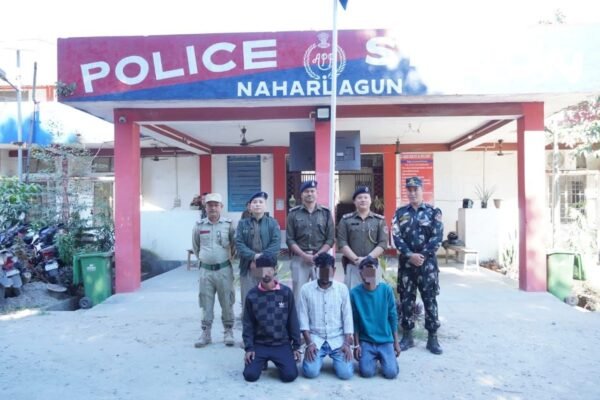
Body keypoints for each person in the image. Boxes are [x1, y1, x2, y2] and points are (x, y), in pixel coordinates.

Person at [391, 177, 444, 355]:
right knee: (406, 299)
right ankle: (408, 336)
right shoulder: (400, 213)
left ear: (422, 190)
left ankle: (432, 338)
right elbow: (396, 237)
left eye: (416, 189)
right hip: (407, 266)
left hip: (427, 266)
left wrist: (421, 256)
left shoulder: (433, 212)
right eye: (410, 190)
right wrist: (410, 255)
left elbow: (437, 237)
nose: (412, 193)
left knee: (430, 299)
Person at [242, 254, 301, 382]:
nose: (265, 273)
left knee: (290, 375)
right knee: (250, 375)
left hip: (281, 343)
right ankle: (261, 361)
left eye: (269, 269)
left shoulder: (286, 293)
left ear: (274, 269)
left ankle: (281, 360)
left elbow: (293, 320)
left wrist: (296, 346)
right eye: (261, 270)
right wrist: (249, 348)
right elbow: (248, 324)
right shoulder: (252, 295)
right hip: (260, 344)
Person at [297, 253, 354, 380]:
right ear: (315, 270)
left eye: (328, 271)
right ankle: (317, 359)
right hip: (316, 339)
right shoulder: (305, 289)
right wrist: (309, 343)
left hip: (337, 338)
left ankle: (338, 363)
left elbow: (347, 317)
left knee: (346, 374)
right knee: (310, 372)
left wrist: (346, 343)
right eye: (321, 271)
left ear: (334, 270)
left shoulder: (342, 289)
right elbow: (303, 319)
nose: (325, 275)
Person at [192, 193, 236, 348]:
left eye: (216, 205)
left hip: (224, 270)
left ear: (221, 207)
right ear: (206, 207)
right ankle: (206, 333)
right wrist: (205, 259)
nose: (213, 208)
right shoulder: (199, 226)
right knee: (205, 302)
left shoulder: (228, 225)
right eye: (210, 205)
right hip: (206, 272)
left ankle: (228, 331)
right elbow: (196, 247)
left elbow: (234, 246)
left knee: (227, 301)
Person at [350, 256, 400, 379]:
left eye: (371, 270)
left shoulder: (386, 290)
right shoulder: (354, 293)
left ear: (377, 272)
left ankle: (387, 359)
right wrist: (357, 345)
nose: (368, 274)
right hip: (366, 340)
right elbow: (355, 321)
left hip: (385, 339)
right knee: (366, 372)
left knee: (391, 373)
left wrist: (396, 342)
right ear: (360, 273)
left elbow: (392, 317)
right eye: (365, 271)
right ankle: (374, 358)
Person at [286, 180, 335, 304]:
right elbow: (289, 239)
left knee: (323, 292)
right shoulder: (293, 214)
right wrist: (304, 255)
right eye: (306, 191)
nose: (309, 194)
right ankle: (299, 317)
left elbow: (330, 239)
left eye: (312, 191)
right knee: (298, 294)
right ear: (301, 194)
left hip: (321, 260)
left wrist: (318, 255)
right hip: (299, 259)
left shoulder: (326, 213)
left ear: (317, 193)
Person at [337, 186, 388, 290]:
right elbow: (342, 242)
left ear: (370, 200)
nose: (363, 200)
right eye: (359, 198)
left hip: (372, 266)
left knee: (372, 295)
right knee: (352, 295)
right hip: (353, 265)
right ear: (354, 202)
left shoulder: (379, 220)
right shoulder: (346, 220)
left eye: (366, 197)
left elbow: (383, 243)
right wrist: (356, 260)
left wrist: (368, 259)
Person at [235, 191, 281, 309]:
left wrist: (261, 259)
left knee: (268, 300)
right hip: (248, 267)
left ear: (265, 206)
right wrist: (253, 256)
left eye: (261, 202)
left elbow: (276, 244)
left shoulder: (273, 223)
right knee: (248, 300)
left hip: (267, 267)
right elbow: (239, 244)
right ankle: (248, 320)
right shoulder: (242, 224)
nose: (257, 204)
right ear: (250, 206)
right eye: (254, 202)